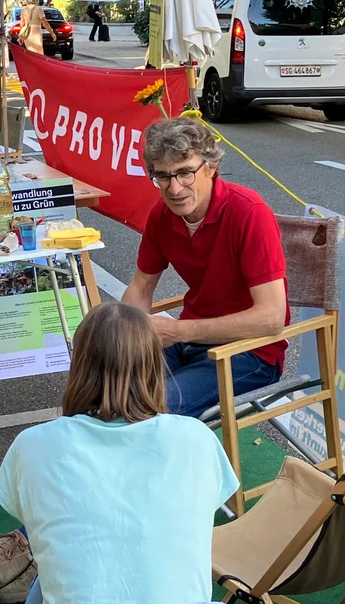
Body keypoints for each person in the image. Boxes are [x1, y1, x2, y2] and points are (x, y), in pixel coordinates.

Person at [0, 302, 238, 604]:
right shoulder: (197, 439)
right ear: (155, 365)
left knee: (48, 579)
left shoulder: (34, 444)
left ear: (79, 365)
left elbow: (36, 519)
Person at [120, 117, 287, 419]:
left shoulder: (248, 212)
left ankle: (176, 465)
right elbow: (141, 287)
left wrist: (178, 330)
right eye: (163, 176)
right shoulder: (162, 214)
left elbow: (272, 319)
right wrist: (124, 334)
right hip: (190, 340)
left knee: (156, 406)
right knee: (108, 391)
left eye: (185, 172)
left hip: (251, 351)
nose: (174, 188)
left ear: (210, 167)